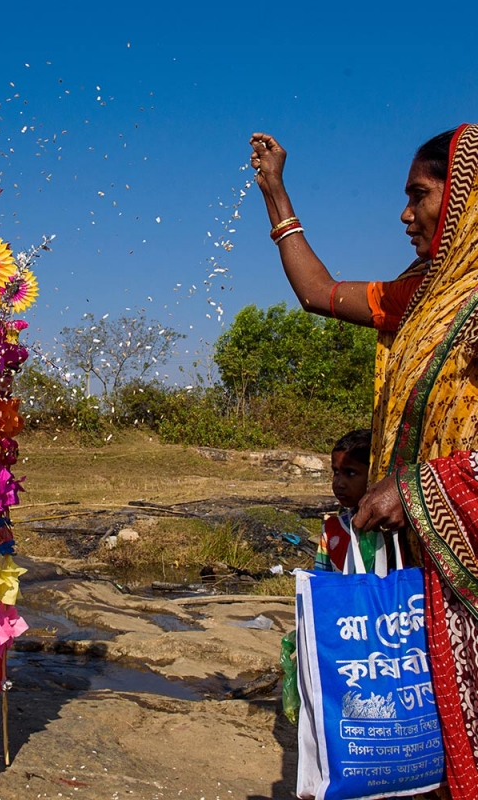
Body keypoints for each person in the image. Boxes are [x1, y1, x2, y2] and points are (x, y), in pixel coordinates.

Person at [251, 125, 478, 798]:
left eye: (420, 195)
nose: (405, 215)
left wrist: (423, 487)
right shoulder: (429, 298)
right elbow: (320, 293)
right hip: (427, 577)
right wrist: (274, 194)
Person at [314, 430, 373, 572]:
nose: (339, 483)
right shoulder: (332, 530)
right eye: (336, 472)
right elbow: (322, 580)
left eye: (351, 473)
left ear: (373, 473)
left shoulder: (392, 532)